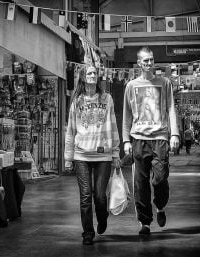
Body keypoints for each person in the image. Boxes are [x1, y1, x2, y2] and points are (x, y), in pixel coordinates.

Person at [122, 47, 179, 235]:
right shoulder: (131, 86)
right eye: (145, 60)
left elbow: (171, 108)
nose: (149, 63)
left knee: (160, 179)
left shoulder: (164, 83)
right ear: (139, 63)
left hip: (160, 138)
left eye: (151, 60)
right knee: (140, 183)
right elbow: (127, 115)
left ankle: (160, 206)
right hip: (138, 138)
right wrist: (126, 140)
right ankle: (145, 222)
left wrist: (175, 134)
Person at [65, 65, 121, 245]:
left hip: (102, 154)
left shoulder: (107, 99)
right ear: (82, 77)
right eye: (89, 72)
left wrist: (115, 153)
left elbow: (113, 126)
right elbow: (71, 131)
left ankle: (102, 217)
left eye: (95, 73)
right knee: (86, 195)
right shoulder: (77, 101)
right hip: (81, 155)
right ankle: (87, 232)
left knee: (100, 196)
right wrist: (68, 158)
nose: (93, 75)